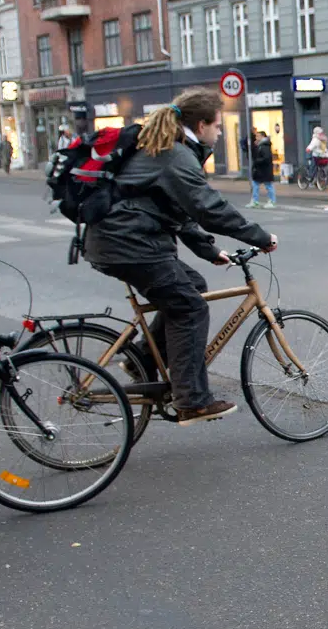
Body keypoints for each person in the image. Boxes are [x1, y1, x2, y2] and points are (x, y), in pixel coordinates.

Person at [84, 87, 277, 424]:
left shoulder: (169, 150)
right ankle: (192, 400)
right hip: (129, 245)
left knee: (192, 283)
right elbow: (207, 206)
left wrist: (209, 250)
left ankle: (141, 359)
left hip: (123, 242)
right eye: (217, 126)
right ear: (201, 125)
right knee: (190, 307)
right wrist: (259, 236)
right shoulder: (175, 155)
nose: (218, 133)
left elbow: (176, 209)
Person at [248, 130, 277, 208]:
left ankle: (272, 201)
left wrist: (257, 161)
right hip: (260, 170)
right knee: (255, 185)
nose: (256, 138)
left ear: (262, 137)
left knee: (268, 185)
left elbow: (266, 158)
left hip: (264, 170)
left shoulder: (264, 146)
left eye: (258, 136)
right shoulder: (260, 145)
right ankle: (255, 201)